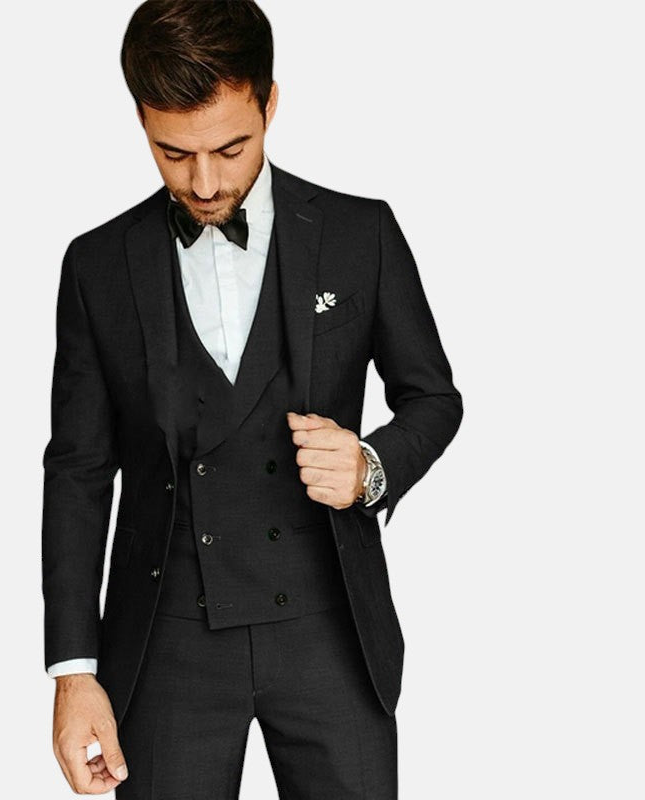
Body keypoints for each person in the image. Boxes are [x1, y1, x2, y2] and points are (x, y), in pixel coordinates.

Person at [42, 1, 463, 796]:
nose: (204, 183)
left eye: (230, 149)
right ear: (141, 120)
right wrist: (73, 671)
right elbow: (78, 471)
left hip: (329, 631)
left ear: (270, 104)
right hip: (169, 643)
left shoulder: (360, 233)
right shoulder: (97, 265)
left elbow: (433, 399)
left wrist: (370, 467)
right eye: (174, 153)